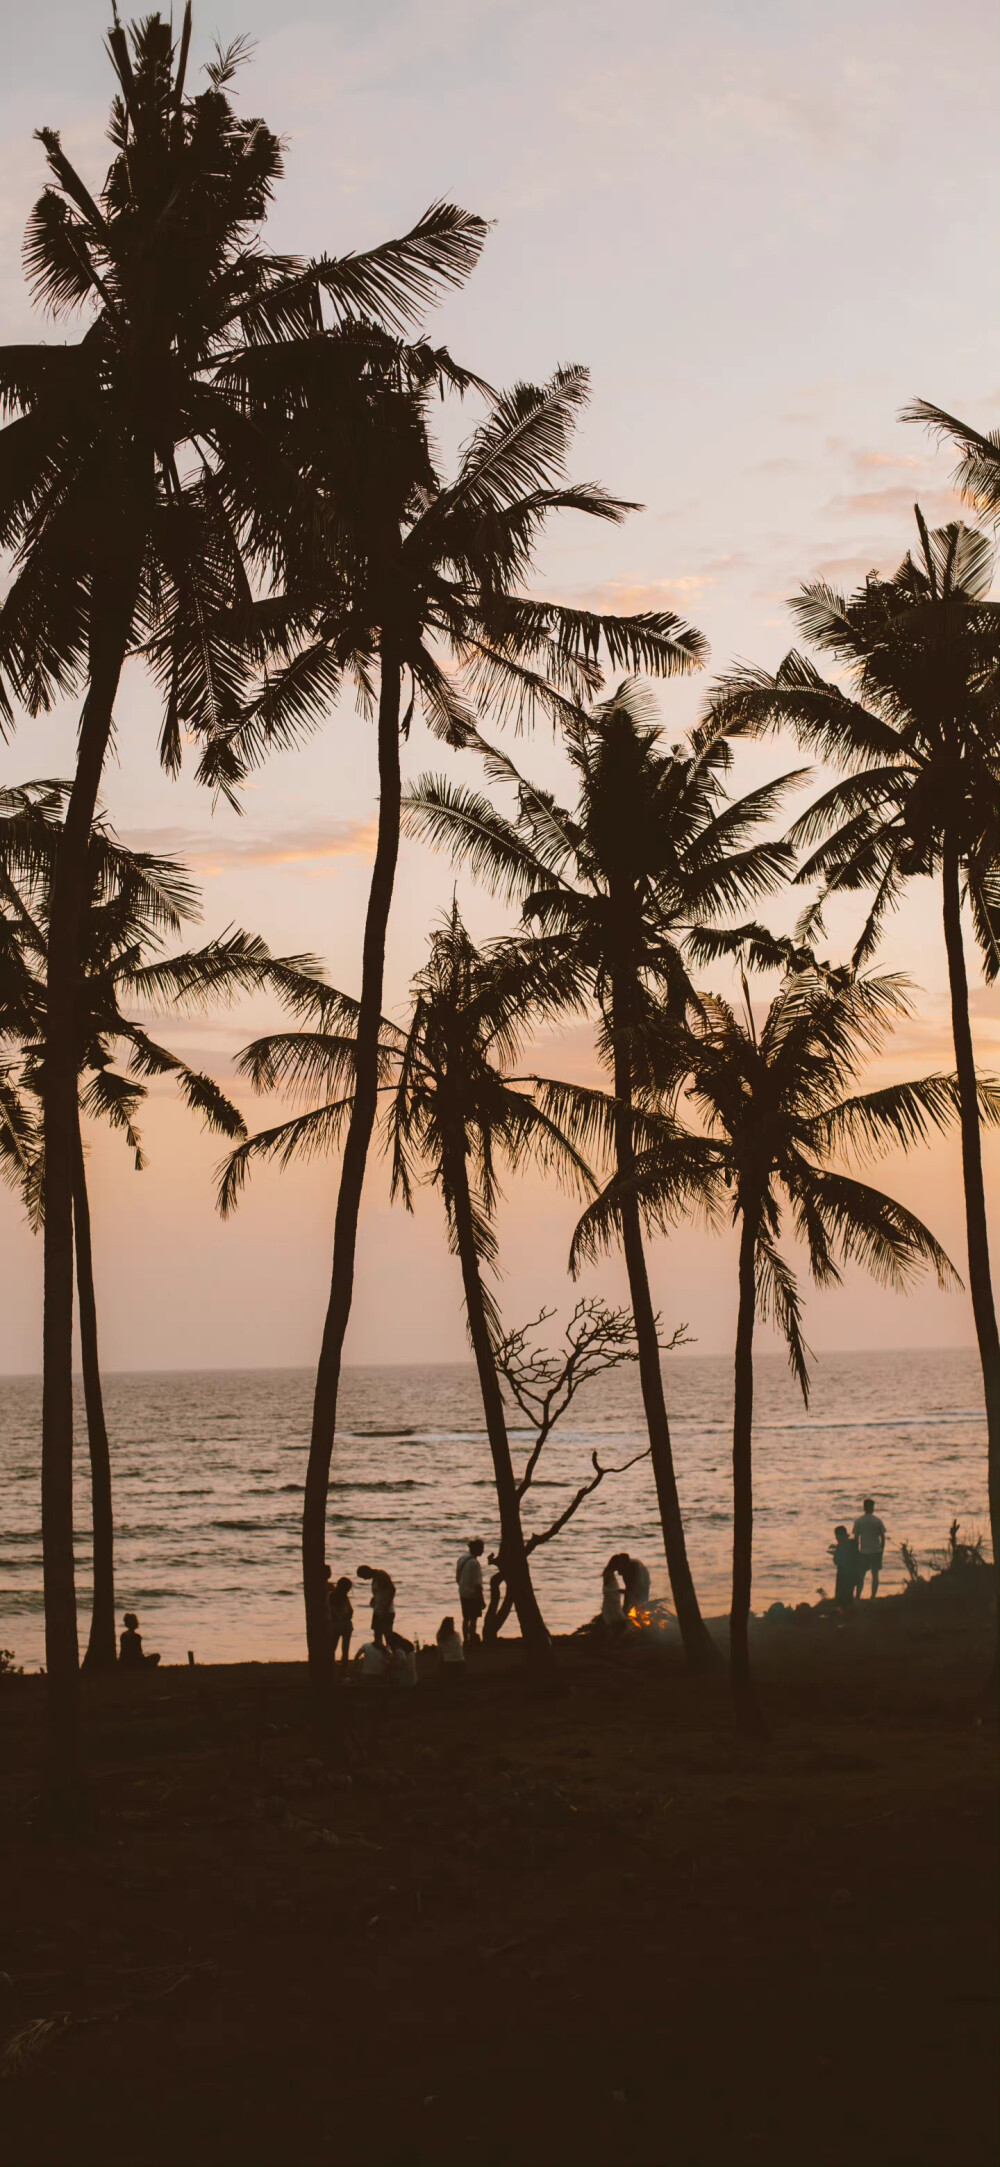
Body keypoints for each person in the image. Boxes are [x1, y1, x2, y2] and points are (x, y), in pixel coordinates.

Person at [455, 1537, 486, 1649]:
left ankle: (465, 1640)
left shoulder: (462, 1558)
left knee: (466, 1618)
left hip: (463, 1592)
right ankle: (472, 1638)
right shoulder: (474, 1563)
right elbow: (478, 1584)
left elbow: (457, 1577)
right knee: (473, 1619)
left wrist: (462, 1586)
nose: (483, 1551)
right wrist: (482, 1599)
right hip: (473, 1594)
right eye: (482, 1549)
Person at [853, 1498, 886, 1598]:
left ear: (864, 1508)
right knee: (875, 1575)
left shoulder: (859, 1521)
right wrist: (882, 1550)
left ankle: (858, 1596)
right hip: (876, 1551)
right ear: (872, 1508)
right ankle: (873, 1597)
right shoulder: (877, 1520)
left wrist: (856, 1552)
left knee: (861, 1576)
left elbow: (856, 1538)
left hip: (863, 1552)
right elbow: (883, 1537)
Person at [356, 1563, 396, 1647]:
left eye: (363, 1576)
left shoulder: (381, 1575)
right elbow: (381, 1592)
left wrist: (386, 1608)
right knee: (377, 1634)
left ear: (367, 1571)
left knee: (387, 1634)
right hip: (377, 1610)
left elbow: (392, 1590)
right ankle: (381, 1654)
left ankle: (392, 1654)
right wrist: (374, 1598)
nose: (364, 1579)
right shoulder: (375, 1578)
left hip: (386, 1610)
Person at [609, 1552, 651, 1619]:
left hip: (643, 1582)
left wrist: (619, 1591)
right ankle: (626, 1616)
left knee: (641, 1601)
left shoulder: (635, 1568)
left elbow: (634, 1589)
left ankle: (641, 1618)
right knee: (627, 1604)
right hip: (634, 1581)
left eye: (619, 1568)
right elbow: (628, 1589)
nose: (618, 1571)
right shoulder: (624, 1569)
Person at [326, 1571, 353, 1666]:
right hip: (344, 1624)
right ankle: (343, 1665)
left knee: (333, 1646)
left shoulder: (331, 1595)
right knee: (345, 1648)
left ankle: (331, 1663)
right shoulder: (341, 1596)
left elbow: (333, 1611)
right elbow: (350, 1611)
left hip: (336, 1624)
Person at [830, 1525, 859, 1611]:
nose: (836, 1538)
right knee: (848, 1595)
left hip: (844, 1573)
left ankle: (846, 1612)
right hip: (850, 1572)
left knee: (843, 1596)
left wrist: (835, 1554)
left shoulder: (842, 1545)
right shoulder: (852, 1543)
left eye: (837, 1536)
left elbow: (836, 1561)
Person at [600, 1562, 625, 1633]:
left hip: (615, 1602)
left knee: (617, 1624)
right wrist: (618, 1591)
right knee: (614, 1623)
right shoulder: (608, 1574)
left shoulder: (611, 1574)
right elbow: (605, 1590)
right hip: (611, 1604)